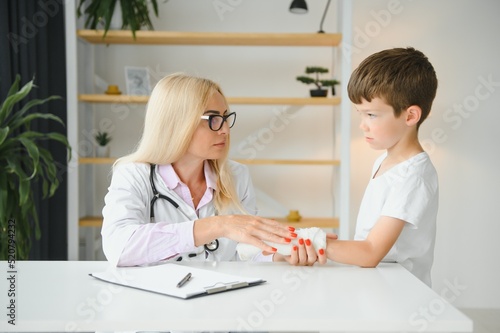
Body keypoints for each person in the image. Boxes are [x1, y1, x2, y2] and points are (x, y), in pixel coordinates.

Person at [101, 73, 299, 267]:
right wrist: (219, 225)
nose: (225, 130)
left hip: (220, 295)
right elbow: (119, 247)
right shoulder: (133, 175)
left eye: (225, 117)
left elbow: (244, 254)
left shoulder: (237, 176)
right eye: (212, 119)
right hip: (158, 298)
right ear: (177, 123)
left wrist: (277, 257)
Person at [315, 47, 439, 286]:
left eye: (371, 115)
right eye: (360, 114)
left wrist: (315, 242)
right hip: (378, 285)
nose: (363, 125)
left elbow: (371, 251)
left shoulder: (413, 177)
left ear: (410, 116)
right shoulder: (384, 161)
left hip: (400, 294)